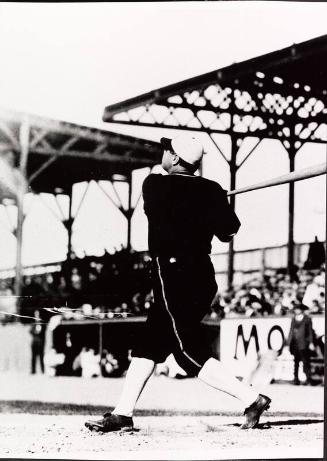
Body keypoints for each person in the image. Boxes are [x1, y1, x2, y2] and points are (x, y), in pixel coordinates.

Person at [85, 134, 271, 433]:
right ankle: (123, 413)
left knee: (185, 351)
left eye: (167, 150)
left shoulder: (154, 184)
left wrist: (206, 197)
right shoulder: (211, 191)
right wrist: (215, 200)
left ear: (174, 157)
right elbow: (228, 232)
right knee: (148, 345)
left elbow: (168, 197)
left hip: (173, 275)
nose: (163, 153)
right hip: (202, 277)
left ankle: (252, 398)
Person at [285, 303, 315, 385]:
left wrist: (311, 342)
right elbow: (291, 331)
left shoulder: (307, 319)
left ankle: (308, 379)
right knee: (296, 362)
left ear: (301, 310)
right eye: (295, 309)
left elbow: (310, 332)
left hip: (304, 343)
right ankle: (296, 379)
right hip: (295, 343)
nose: (296, 310)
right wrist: (288, 343)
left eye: (297, 309)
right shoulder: (294, 319)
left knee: (306, 362)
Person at [30, 310, 46, 374]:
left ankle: (42, 371)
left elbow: (43, 332)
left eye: (37, 314)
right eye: (35, 314)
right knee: (33, 357)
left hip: (40, 343)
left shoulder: (42, 323)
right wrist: (35, 331)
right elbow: (30, 331)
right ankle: (33, 371)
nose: (36, 315)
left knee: (41, 357)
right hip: (34, 342)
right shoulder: (33, 322)